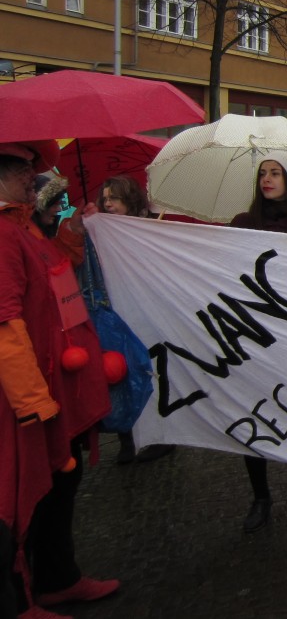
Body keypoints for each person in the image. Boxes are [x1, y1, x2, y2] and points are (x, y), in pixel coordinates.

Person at [1, 141, 119, 615]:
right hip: (29, 400)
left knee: (61, 485)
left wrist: (73, 228)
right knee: (21, 496)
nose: (36, 174)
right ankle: (18, 600)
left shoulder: (22, 224)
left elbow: (57, 270)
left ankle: (57, 578)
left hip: (57, 386)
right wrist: (33, 402)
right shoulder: (3, 233)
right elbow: (5, 321)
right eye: (26, 167)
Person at [230, 154, 287, 534]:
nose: (267, 180)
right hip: (253, 336)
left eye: (275, 173)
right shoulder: (243, 224)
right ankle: (260, 497)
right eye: (262, 174)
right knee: (252, 415)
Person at [97, 176, 176, 466]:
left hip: (148, 312)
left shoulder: (147, 229)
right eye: (105, 199)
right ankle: (127, 437)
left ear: (129, 201)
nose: (108, 204)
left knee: (153, 373)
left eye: (114, 198)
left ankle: (161, 436)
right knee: (120, 374)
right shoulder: (99, 232)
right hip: (116, 316)